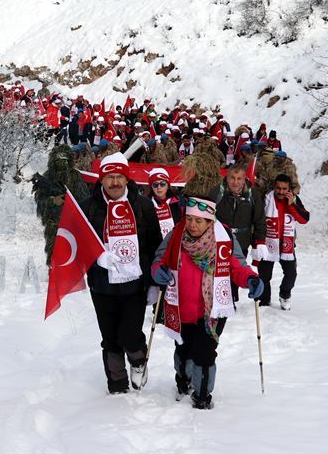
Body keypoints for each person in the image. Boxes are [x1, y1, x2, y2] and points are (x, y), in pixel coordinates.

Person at [151, 196, 263, 409]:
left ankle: (203, 395)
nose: (192, 225)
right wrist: (158, 271)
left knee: (204, 353)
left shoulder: (224, 239)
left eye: (199, 221)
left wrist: (250, 279)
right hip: (181, 307)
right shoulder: (176, 235)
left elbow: (237, 266)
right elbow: (160, 259)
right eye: (190, 219)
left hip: (212, 311)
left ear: (210, 221)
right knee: (184, 349)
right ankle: (183, 380)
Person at [79, 152, 162, 394]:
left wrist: (155, 283)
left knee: (130, 334)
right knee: (110, 337)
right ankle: (116, 384)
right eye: (110, 177)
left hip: (135, 284)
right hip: (102, 285)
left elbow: (155, 245)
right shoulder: (89, 207)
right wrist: (97, 256)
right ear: (101, 180)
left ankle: (138, 361)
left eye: (119, 177)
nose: (115, 182)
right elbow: (78, 244)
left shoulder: (143, 206)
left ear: (127, 179)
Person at [211, 164, 267, 303]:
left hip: (242, 239)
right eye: (232, 178)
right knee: (220, 268)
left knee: (237, 267)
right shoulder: (216, 192)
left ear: (244, 179)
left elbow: (259, 219)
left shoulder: (252, 194)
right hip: (220, 239)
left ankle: (232, 296)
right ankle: (219, 295)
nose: (235, 182)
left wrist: (259, 242)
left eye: (239, 179)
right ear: (227, 177)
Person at [257, 174, 310, 310]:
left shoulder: (295, 199)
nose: (281, 192)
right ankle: (264, 301)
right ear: (274, 186)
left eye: (284, 189)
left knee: (291, 274)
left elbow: (304, 219)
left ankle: (285, 295)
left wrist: (292, 205)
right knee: (264, 275)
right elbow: (257, 219)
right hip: (268, 242)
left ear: (289, 189)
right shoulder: (266, 199)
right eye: (278, 188)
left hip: (286, 244)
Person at [147, 167, 182, 239]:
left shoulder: (178, 202)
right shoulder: (146, 204)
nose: (159, 187)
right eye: (155, 185)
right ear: (151, 187)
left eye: (162, 184)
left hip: (175, 241)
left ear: (168, 186)